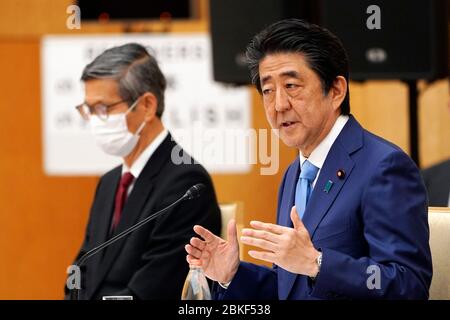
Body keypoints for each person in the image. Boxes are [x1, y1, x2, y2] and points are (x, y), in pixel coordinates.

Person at [185, 19, 432, 300]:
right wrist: (233, 275)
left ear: (336, 90)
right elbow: (291, 289)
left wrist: (317, 263)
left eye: (292, 85)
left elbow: (409, 286)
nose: (279, 105)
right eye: (268, 91)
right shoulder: (295, 173)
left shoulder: (384, 167)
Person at [66, 43, 221, 300]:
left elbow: (154, 290)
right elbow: (81, 269)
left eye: (103, 109)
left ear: (147, 105)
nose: (94, 120)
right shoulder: (109, 182)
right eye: (89, 110)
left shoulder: (186, 185)